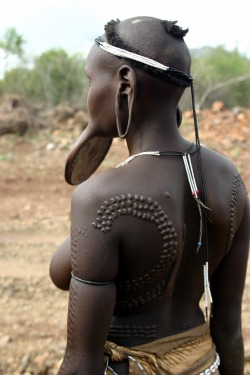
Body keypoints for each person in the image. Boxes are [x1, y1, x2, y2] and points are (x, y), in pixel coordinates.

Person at [49, 16, 249, 375]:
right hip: (205, 366)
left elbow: (81, 364)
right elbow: (230, 331)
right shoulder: (229, 178)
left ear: (124, 82)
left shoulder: (100, 198)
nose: (88, 95)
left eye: (91, 81)